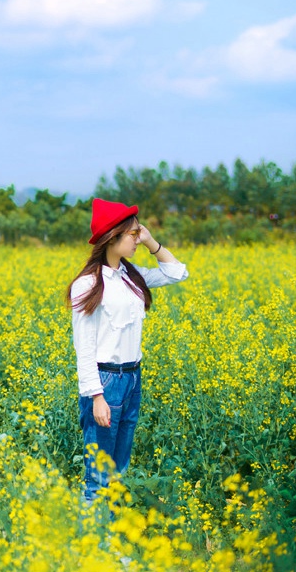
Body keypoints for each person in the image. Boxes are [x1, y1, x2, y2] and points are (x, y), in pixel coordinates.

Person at [67, 198, 189, 504]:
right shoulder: (88, 284)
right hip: (105, 383)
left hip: (132, 379)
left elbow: (178, 273)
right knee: (98, 475)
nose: (137, 239)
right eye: (132, 235)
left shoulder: (132, 275)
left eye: (138, 234)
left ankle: (107, 542)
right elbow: (83, 347)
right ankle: (96, 548)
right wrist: (96, 396)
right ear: (112, 237)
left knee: (117, 470)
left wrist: (151, 242)